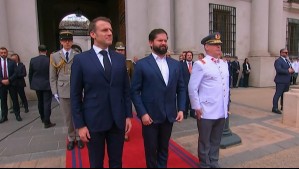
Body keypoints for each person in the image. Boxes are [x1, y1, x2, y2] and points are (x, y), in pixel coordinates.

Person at [71, 17, 132, 168]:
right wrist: (80, 125)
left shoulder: (119, 59)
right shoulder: (81, 60)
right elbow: (75, 95)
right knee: (96, 163)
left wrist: (128, 115)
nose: (110, 33)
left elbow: (126, 90)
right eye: (104, 30)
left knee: (116, 162)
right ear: (93, 34)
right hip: (93, 121)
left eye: (110, 30)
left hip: (117, 121)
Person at [131, 28, 186, 168]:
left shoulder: (175, 64)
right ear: (151, 43)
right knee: (151, 151)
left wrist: (181, 109)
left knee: (164, 149)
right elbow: (134, 91)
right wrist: (142, 113)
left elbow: (181, 88)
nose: (163, 43)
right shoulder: (142, 65)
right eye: (160, 40)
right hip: (150, 117)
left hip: (169, 116)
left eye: (165, 41)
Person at [188, 32, 229, 168]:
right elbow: (192, 88)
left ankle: (214, 161)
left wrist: (226, 106)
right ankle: (205, 164)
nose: (218, 47)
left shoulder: (224, 64)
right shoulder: (201, 64)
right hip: (206, 110)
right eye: (214, 45)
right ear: (206, 47)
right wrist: (196, 107)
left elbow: (225, 88)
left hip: (221, 109)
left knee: (216, 139)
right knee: (205, 140)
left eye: (219, 44)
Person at [50, 31, 83, 150]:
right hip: (63, 90)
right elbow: (52, 76)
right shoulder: (55, 56)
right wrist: (55, 92)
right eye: (64, 40)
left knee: (78, 115)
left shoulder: (78, 54)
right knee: (68, 117)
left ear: (72, 41)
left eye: (69, 40)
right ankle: (71, 137)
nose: (67, 42)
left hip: (77, 89)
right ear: (61, 42)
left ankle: (79, 137)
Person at [29, 45, 55, 127]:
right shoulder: (49, 60)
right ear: (46, 51)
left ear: (39, 50)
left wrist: (32, 83)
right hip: (47, 84)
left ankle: (42, 118)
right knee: (47, 103)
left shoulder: (33, 60)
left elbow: (30, 74)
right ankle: (47, 121)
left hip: (37, 84)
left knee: (40, 101)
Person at [115, 41, 133, 142]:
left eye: (122, 50)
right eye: (118, 50)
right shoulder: (111, 61)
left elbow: (133, 77)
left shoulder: (128, 62)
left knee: (126, 113)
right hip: (116, 92)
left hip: (126, 91)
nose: (120, 52)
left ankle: (125, 132)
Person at [0, 47, 22, 123]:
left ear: (7, 53)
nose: (3, 54)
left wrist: (9, 80)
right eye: (1, 52)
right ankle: (4, 116)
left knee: (15, 99)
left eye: (4, 52)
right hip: (2, 84)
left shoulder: (12, 62)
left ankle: (17, 115)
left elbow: (16, 73)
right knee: (3, 101)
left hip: (11, 83)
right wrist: (2, 80)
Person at [272, 49, 294, 114]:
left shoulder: (287, 61)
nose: (287, 54)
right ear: (281, 53)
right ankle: (274, 108)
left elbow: (290, 68)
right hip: (280, 80)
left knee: (284, 95)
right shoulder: (278, 61)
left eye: (287, 52)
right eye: (285, 52)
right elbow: (278, 70)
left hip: (287, 80)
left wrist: (292, 70)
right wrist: (288, 71)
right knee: (278, 94)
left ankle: (283, 106)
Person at [181, 51, 196, 119]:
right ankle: (185, 113)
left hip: (194, 86)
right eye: (188, 55)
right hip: (185, 85)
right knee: (186, 100)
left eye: (190, 55)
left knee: (193, 100)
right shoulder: (181, 65)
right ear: (186, 56)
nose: (189, 56)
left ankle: (193, 113)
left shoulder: (195, 64)